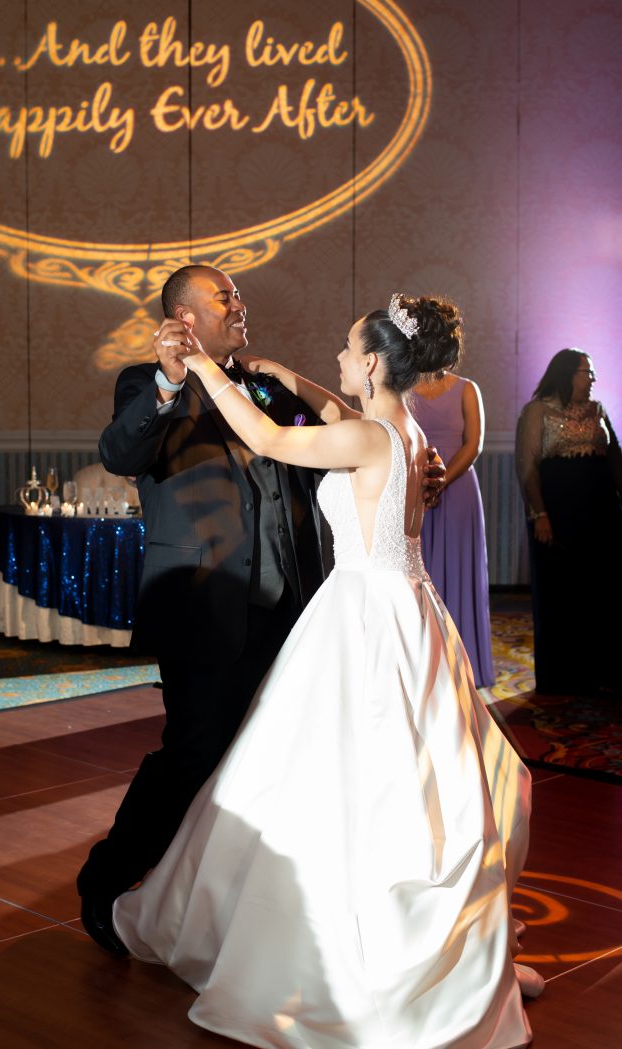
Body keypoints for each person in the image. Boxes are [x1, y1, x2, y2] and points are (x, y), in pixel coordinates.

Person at [113, 294, 540, 1048]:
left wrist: (208, 368)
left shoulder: (370, 441)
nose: (339, 362)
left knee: (335, 781)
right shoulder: (403, 431)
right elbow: (340, 406)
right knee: (400, 782)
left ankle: (336, 954)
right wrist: (294, 374)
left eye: (347, 350)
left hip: (365, 622)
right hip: (409, 611)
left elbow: (270, 437)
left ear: (374, 361)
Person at [76, 266, 445, 955]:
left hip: (296, 612)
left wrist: (411, 469)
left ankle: (248, 909)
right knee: (192, 754)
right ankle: (107, 879)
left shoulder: (270, 385)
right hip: (204, 606)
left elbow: (352, 443)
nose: (241, 304)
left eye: (239, 294)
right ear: (186, 317)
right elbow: (119, 451)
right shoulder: (146, 384)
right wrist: (167, 378)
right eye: (226, 297)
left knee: (278, 764)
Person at [515, 348, 622, 696]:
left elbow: (615, 461)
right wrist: (540, 514)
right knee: (561, 595)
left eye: (591, 374)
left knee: (602, 593)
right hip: (558, 515)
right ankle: (562, 676)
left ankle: (602, 671)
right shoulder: (537, 411)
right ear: (565, 373)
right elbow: (528, 468)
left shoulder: (598, 410)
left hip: (601, 514)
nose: (591, 380)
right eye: (585, 372)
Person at [410, 370, 495, 688]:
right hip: (415, 485)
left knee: (459, 572)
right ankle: (424, 664)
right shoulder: (403, 385)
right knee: (420, 571)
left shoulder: (467, 389)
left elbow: (473, 445)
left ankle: (464, 664)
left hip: (458, 489)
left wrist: (441, 482)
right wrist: (422, 483)